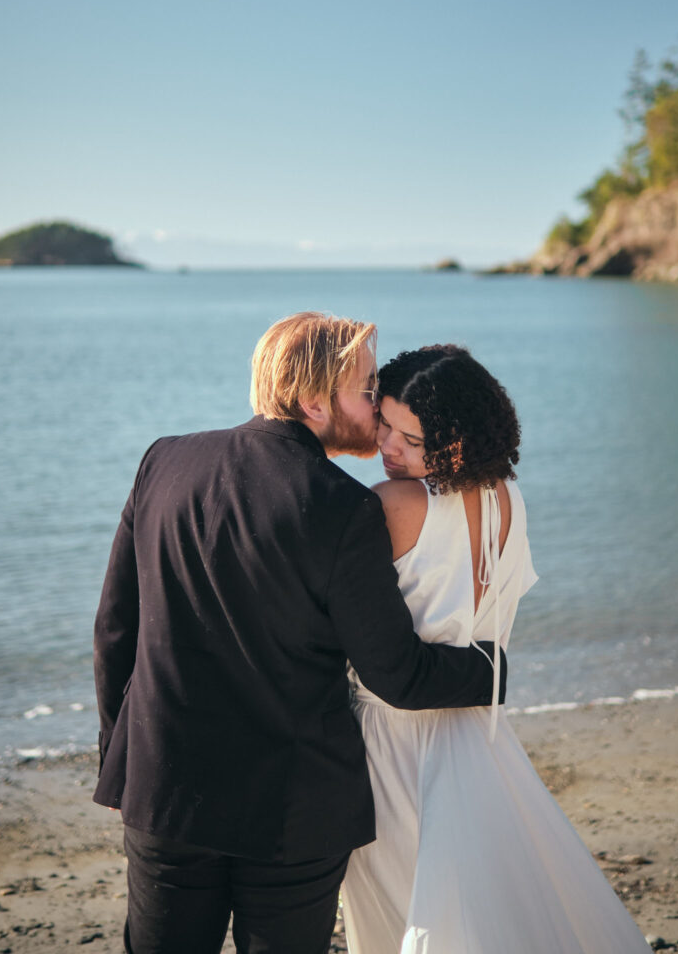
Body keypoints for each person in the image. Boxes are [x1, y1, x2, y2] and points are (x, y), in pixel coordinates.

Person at [92, 314, 507, 954]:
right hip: (292, 808)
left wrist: (121, 756)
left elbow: (115, 629)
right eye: (367, 388)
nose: (378, 405)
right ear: (314, 401)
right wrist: (492, 669)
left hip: (163, 786)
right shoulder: (344, 507)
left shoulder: (163, 461)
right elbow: (395, 674)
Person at [341, 344, 651, 954]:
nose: (390, 448)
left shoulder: (391, 504)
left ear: (453, 444)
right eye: (386, 424)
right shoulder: (509, 497)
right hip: (478, 735)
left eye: (412, 439)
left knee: (407, 912)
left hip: (395, 743)